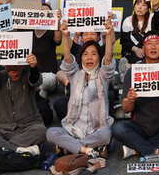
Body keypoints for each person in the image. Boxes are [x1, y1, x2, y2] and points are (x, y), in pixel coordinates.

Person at [46, 18, 116, 156]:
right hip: (73, 129)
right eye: (85, 54)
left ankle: (67, 148)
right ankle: (89, 149)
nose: (89, 58)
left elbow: (108, 59)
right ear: (81, 58)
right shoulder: (75, 74)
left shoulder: (103, 75)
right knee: (50, 132)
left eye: (94, 54)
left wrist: (108, 35)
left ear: (98, 58)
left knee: (106, 134)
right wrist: (65, 36)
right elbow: (67, 58)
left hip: (96, 129)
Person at [113, 32, 159, 159]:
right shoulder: (133, 72)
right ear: (143, 48)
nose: (153, 47)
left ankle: (137, 149)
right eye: (149, 44)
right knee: (118, 128)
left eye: (158, 43)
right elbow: (126, 109)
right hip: (139, 127)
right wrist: (130, 100)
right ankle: (158, 152)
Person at [0, 49, 45, 155]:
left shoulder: (28, 74)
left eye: (16, 63)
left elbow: (35, 81)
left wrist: (34, 67)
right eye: (9, 63)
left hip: (27, 127)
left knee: (41, 131)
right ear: (3, 63)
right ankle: (17, 150)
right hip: (0, 129)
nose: (13, 67)